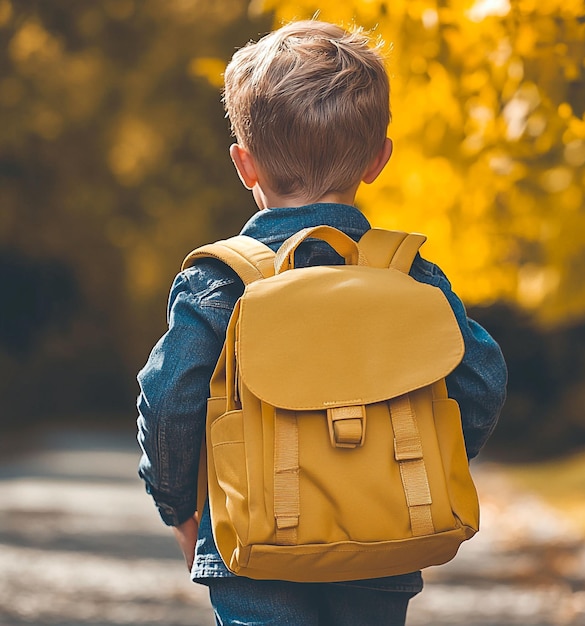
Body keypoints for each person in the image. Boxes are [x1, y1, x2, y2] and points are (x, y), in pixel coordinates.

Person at [137, 19, 507, 626]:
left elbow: (169, 398)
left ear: (244, 164)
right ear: (379, 159)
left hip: (253, 545)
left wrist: (178, 507)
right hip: (385, 538)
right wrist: (411, 465)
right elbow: (481, 379)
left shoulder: (220, 282)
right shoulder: (410, 275)